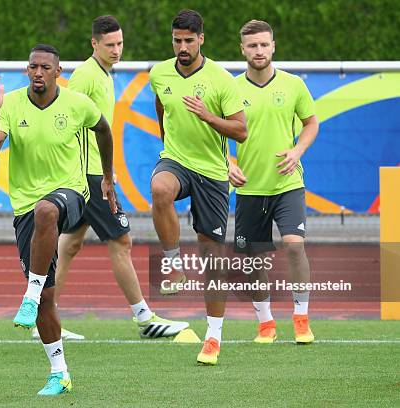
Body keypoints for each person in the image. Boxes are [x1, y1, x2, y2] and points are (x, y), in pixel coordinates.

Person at [35, 15, 188, 341]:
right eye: (110, 45)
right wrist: (95, 174)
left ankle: (43, 314)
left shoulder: (104, 74)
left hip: (90, 172)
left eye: (119, 43)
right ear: (94, 44)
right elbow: (67, 118)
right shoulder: (87, 75)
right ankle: (144, 318)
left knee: (71, 244)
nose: (117, 50)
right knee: (121, 241)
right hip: (87, 176)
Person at [0, 44, 117, 396]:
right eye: (32, 67)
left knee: (47, 210)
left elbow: (104, 129)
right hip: (24, 206)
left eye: (44, 67)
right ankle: (60, 373)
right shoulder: (11, 105)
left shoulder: (76, 103)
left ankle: (29, 293)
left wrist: (108, 177)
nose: (37, 72)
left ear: (58, 72)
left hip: (70, 193)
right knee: (47, 302)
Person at [149, 9, 247, 365]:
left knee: (212, 257)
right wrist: (167, 143)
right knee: (160, 189)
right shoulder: (159, 73)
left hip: (212, 172)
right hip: (176, 159)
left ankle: (213, 336)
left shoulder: (221, 79)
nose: (182, 46)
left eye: (189, 40)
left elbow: (241, 131)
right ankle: (173, 265)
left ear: (201, 39)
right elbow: (161, 105)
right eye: (177, 40)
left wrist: (208, 116)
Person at [230, 20, 319, 344]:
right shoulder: (232, 89)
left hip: (287, 184)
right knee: (253, 259)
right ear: (243, 49)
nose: (259, 51)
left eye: (264, 45)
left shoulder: (294, 85)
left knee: (294, 246)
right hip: (250, 188)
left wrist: (298, 150)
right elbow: (210, 136)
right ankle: (265, 323)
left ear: (273, 46)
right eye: (252, 46)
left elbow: (311, 123)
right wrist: (228, 163)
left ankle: (301, 318)